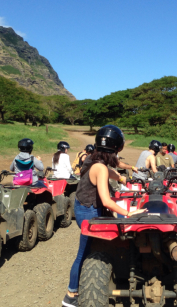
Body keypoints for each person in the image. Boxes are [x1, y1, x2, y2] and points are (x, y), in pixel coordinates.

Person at [62, 125, 147, 307]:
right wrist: (129, 212)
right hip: (88, 212)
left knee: (90, 250)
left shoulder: (93, 158)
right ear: (117, 148)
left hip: (83, 206)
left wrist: (123, 179)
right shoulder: (99, 167)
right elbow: (107, 200)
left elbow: (110, 171)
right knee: (83, 254)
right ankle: (71, 295)